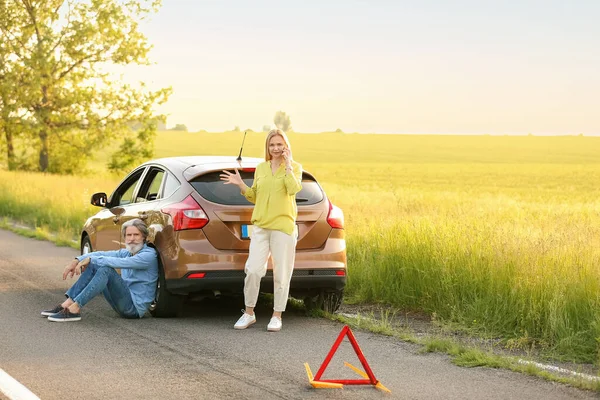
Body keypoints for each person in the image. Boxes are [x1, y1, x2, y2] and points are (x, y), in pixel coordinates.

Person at [220, 128, 302, 332]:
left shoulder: (295, 168)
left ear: (286, 146)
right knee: (253, 270)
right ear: (268, 147)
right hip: (261, 227)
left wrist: (289, 165)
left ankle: (277, 315)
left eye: (279, 144)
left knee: (282, 273)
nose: (275, 148)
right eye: (272, 145)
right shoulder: (261, 168)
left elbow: (293, 189)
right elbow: (255, 196)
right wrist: (240, 184)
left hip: (283, 227)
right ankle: (249, 313)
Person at [41, 218, 158, 322]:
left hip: (133, 309)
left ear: (144, 237)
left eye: (136, 235)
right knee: (95, 262)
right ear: (125, 238)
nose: (132, 239)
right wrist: (77, 260)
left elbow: (119, 262)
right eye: (129, 235)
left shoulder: (148, 256)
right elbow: (102, 253)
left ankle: (75, 309)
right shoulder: (127, 253)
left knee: (104, 267)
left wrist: (91, 259)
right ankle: (66, 305)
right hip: (122, 302)